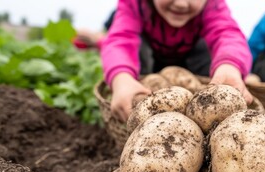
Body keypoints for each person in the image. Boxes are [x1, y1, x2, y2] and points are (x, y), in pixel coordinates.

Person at [101, 0, 253, 122]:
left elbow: (227, 34)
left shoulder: (212, 5)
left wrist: (229, 67)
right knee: (139, 48)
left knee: (206, 49)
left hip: (189, 66)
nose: (181, 3)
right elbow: (120, 40)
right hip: (150, 65)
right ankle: (133, 88)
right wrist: (121, 79)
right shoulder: (134, 3)